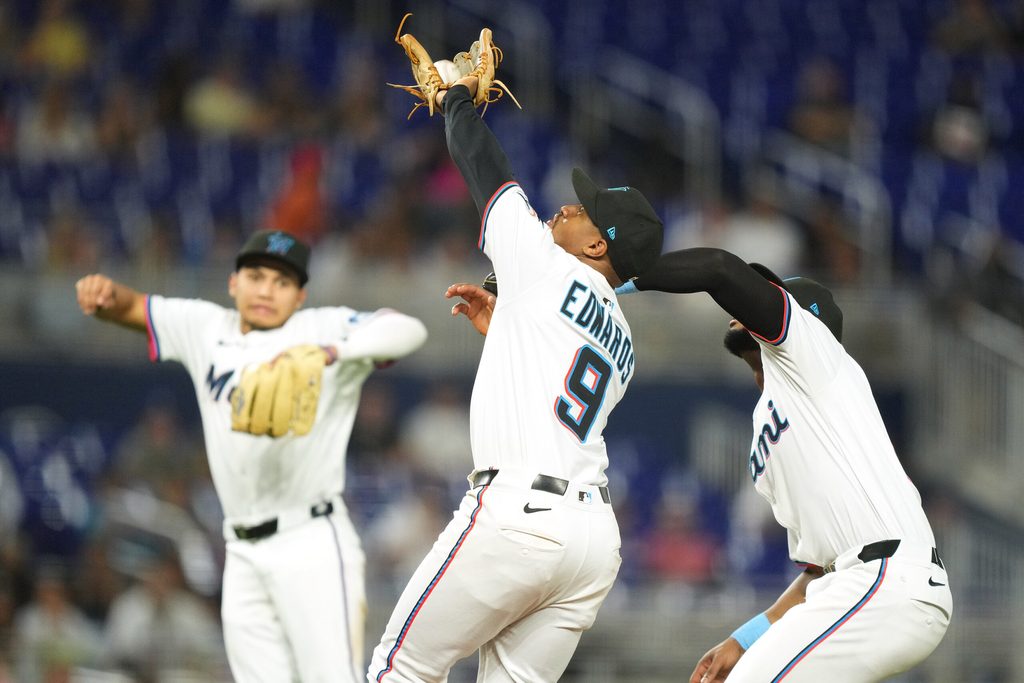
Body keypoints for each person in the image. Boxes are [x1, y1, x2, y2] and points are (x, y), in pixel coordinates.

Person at [453, 249, 953, 681]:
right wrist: (747, 636)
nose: (748, 301)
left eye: (766, 293)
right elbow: (819, 571)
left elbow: (717, 268)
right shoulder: (773, 420)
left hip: (886, 577)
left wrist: (610, 277)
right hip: (856, 585)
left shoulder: (816, 355)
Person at [367, 68, 664, 682]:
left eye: (585, 211)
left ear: (597, 248)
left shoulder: (547, 268)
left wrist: (454, 101)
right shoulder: (624, 339)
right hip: (591, 541)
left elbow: (487, 171)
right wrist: (508, 326)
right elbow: (556, 365)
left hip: (521, 515)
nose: (568, 204)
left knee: (401, 669)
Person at [75, 228, 428, 683]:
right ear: (233, 283)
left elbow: (408, 329)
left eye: (282, 283)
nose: (266, 290)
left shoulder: (320, 326)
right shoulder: (205, 328)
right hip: (240, 550)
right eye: (256, 276)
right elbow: (131, 307)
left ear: (300, 296)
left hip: (312, 541)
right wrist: (101, 294)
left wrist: (335, 352)